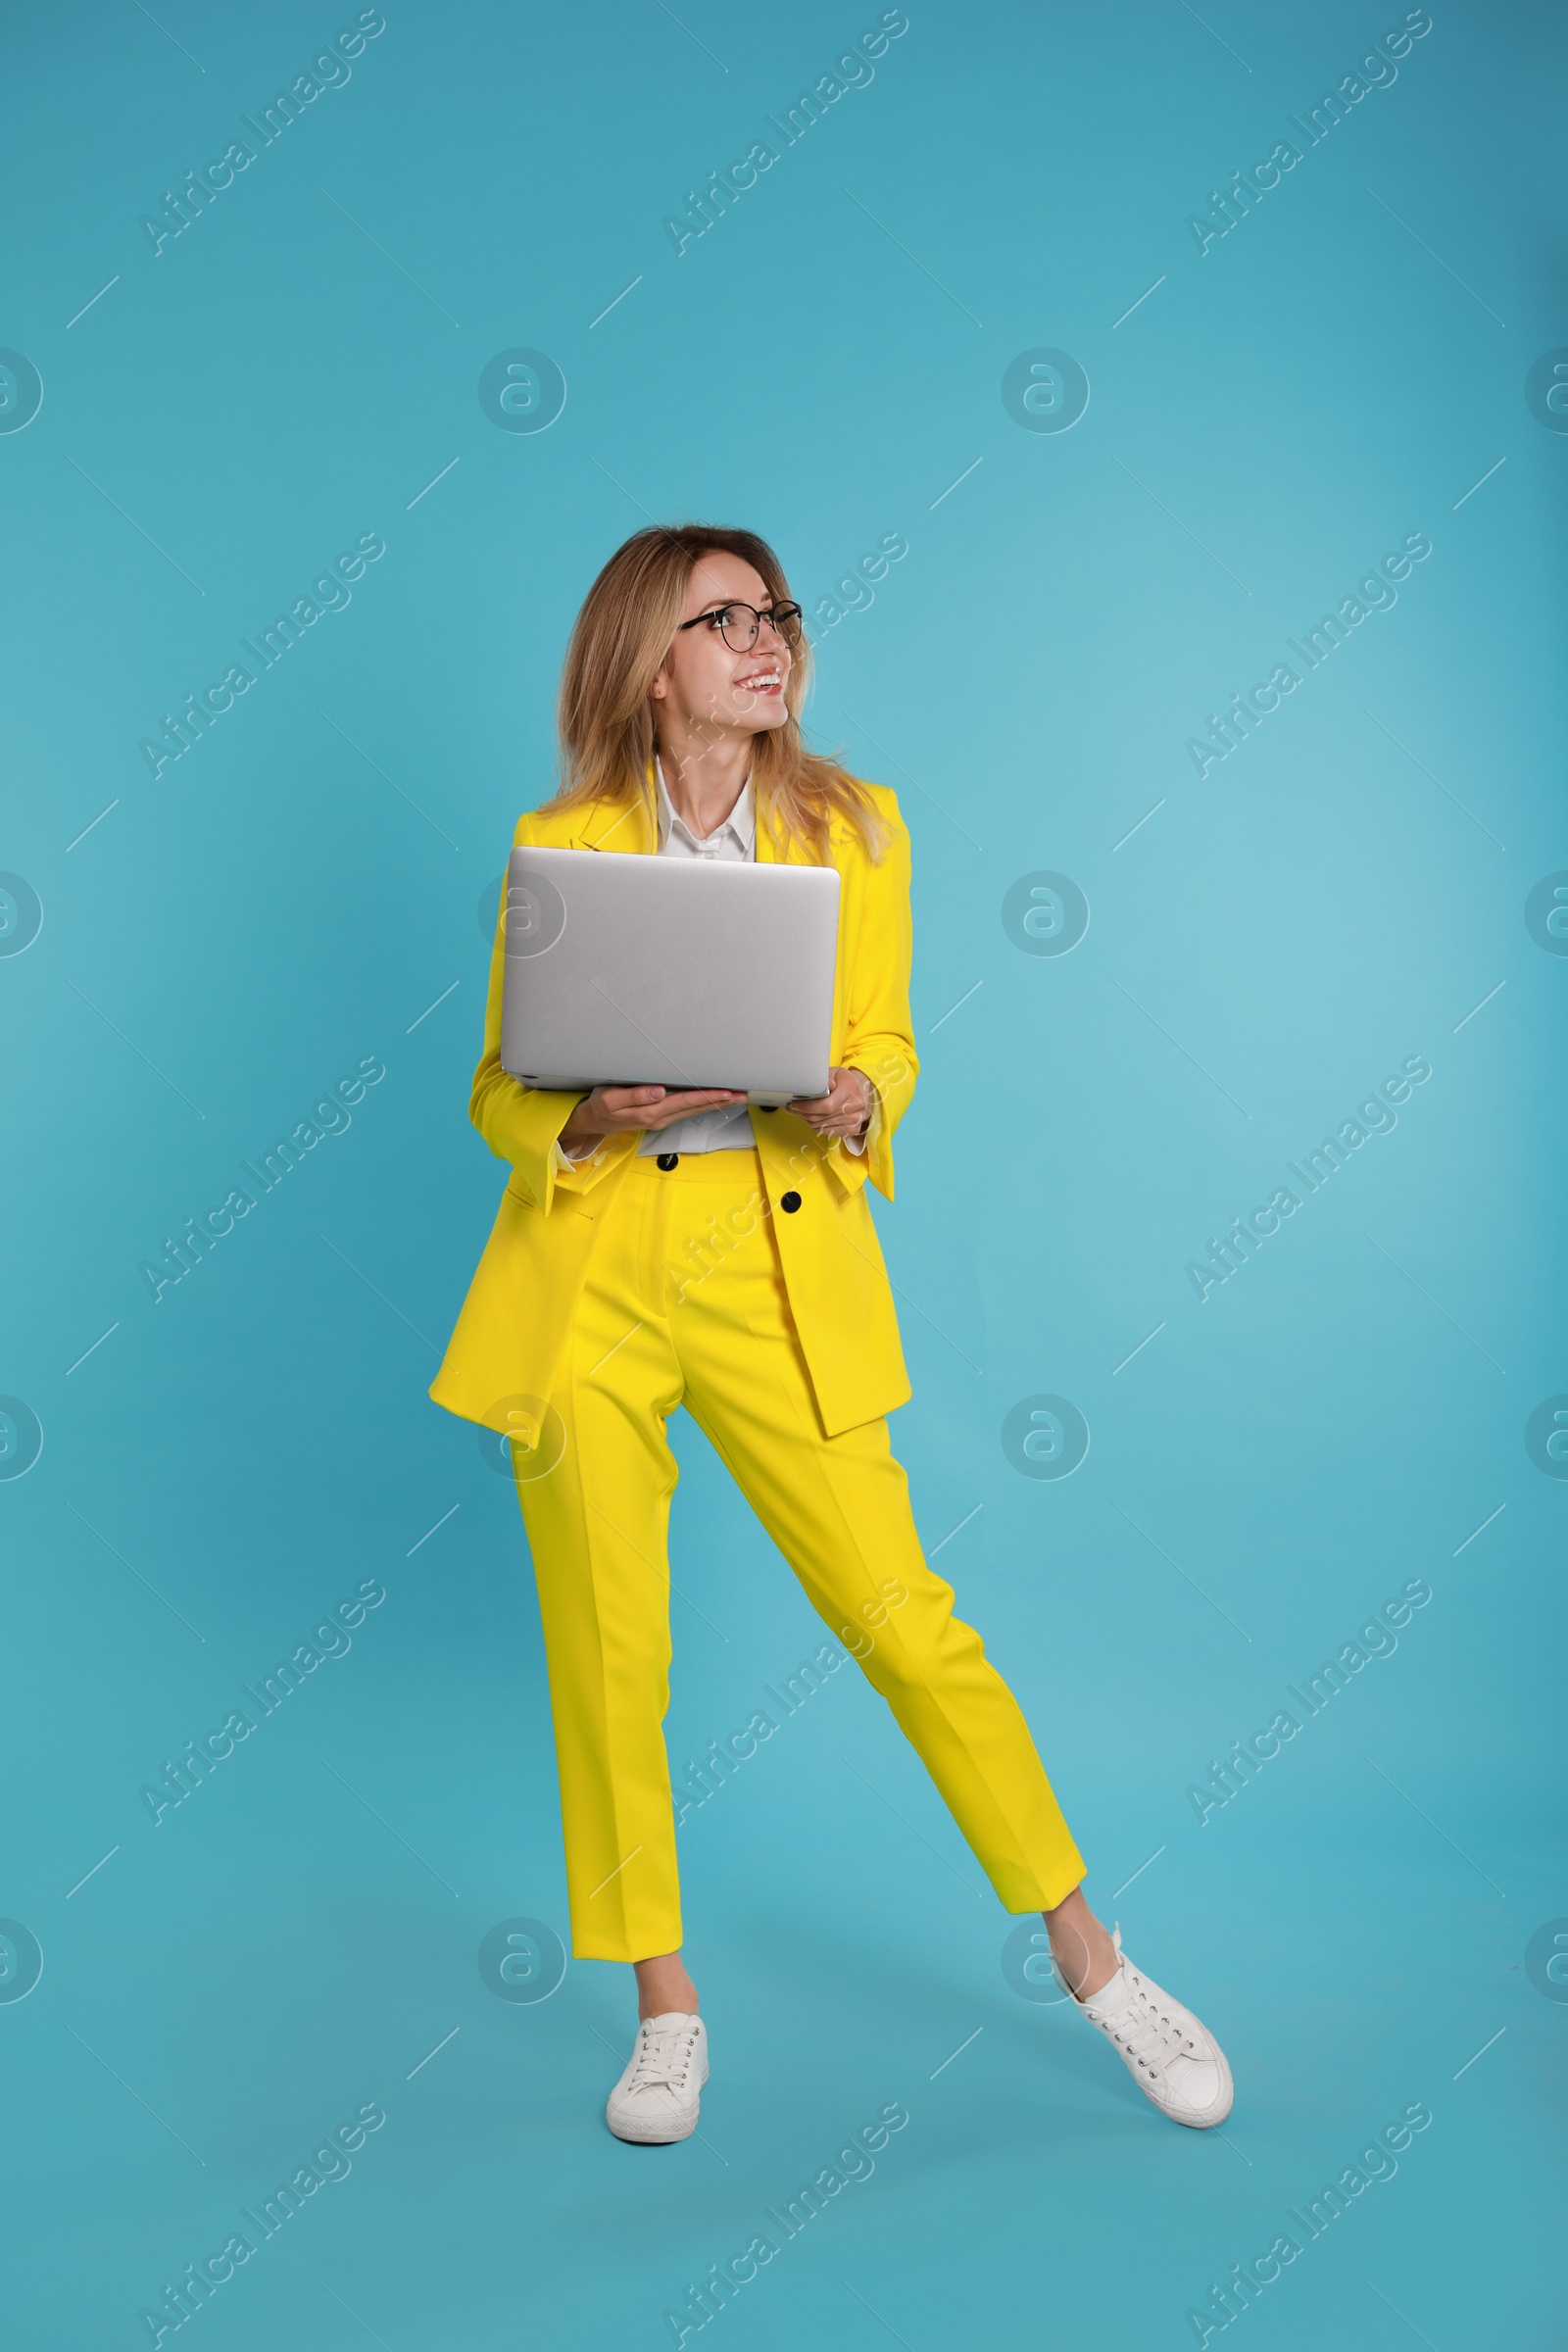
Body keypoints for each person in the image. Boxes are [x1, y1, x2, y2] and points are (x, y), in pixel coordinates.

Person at [431, 523, 1233, 2142]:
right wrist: (584, 1121)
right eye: (723, 618)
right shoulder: (560, 838)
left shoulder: (854, 830)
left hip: (772, 1260)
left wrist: (859, 1095)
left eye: (776, 613)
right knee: (607, 1657)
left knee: (900, 1616)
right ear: (649, 657)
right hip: (591, 1271)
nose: (766, 640)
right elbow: (494, 1092)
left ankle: (1097, 1961)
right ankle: (663, 2006)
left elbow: (887, 1046)